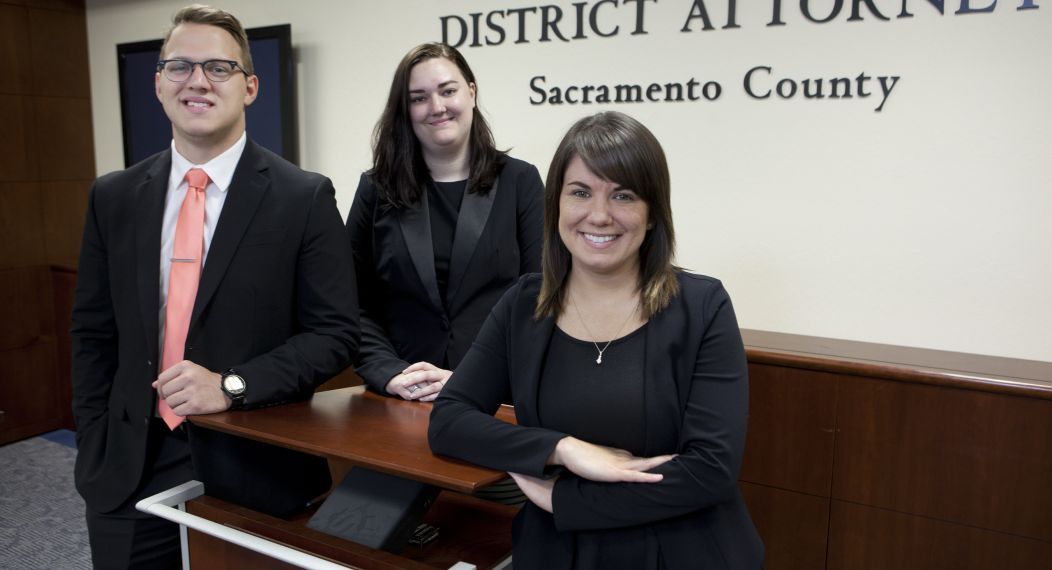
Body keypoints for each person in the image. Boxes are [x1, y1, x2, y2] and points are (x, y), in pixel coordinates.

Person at [70, 5, 359, 568]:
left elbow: (334, 335)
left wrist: (231, 384)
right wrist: (95, 440)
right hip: (128, 463)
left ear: (250, 87)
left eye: (219, 68)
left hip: (252, 462)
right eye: (180, 66)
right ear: (158, 83)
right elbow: (92, 332)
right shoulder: (114, 197)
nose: (197, 81)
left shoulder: (303, 198)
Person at [429, 111, 764, 569]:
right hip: (558, 553)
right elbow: (448, 420)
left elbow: (711, 472)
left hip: (681, 549)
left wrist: (563, 500)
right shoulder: (522, 305)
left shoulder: (702, 306)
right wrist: (562, 448)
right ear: (557, 206)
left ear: (651, 215)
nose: (599, 215)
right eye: (580, 192)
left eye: (623, 195)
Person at [346, 42, 543, 402]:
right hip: (399, 396)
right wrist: (388, 372)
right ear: (404, 109)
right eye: (418, 98)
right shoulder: (375, 189)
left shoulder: (520, 181)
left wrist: (472, 378)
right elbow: (351, 302)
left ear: (471, 92)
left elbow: (539, 301)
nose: (436, 107)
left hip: (496, 397)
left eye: (447, 91)